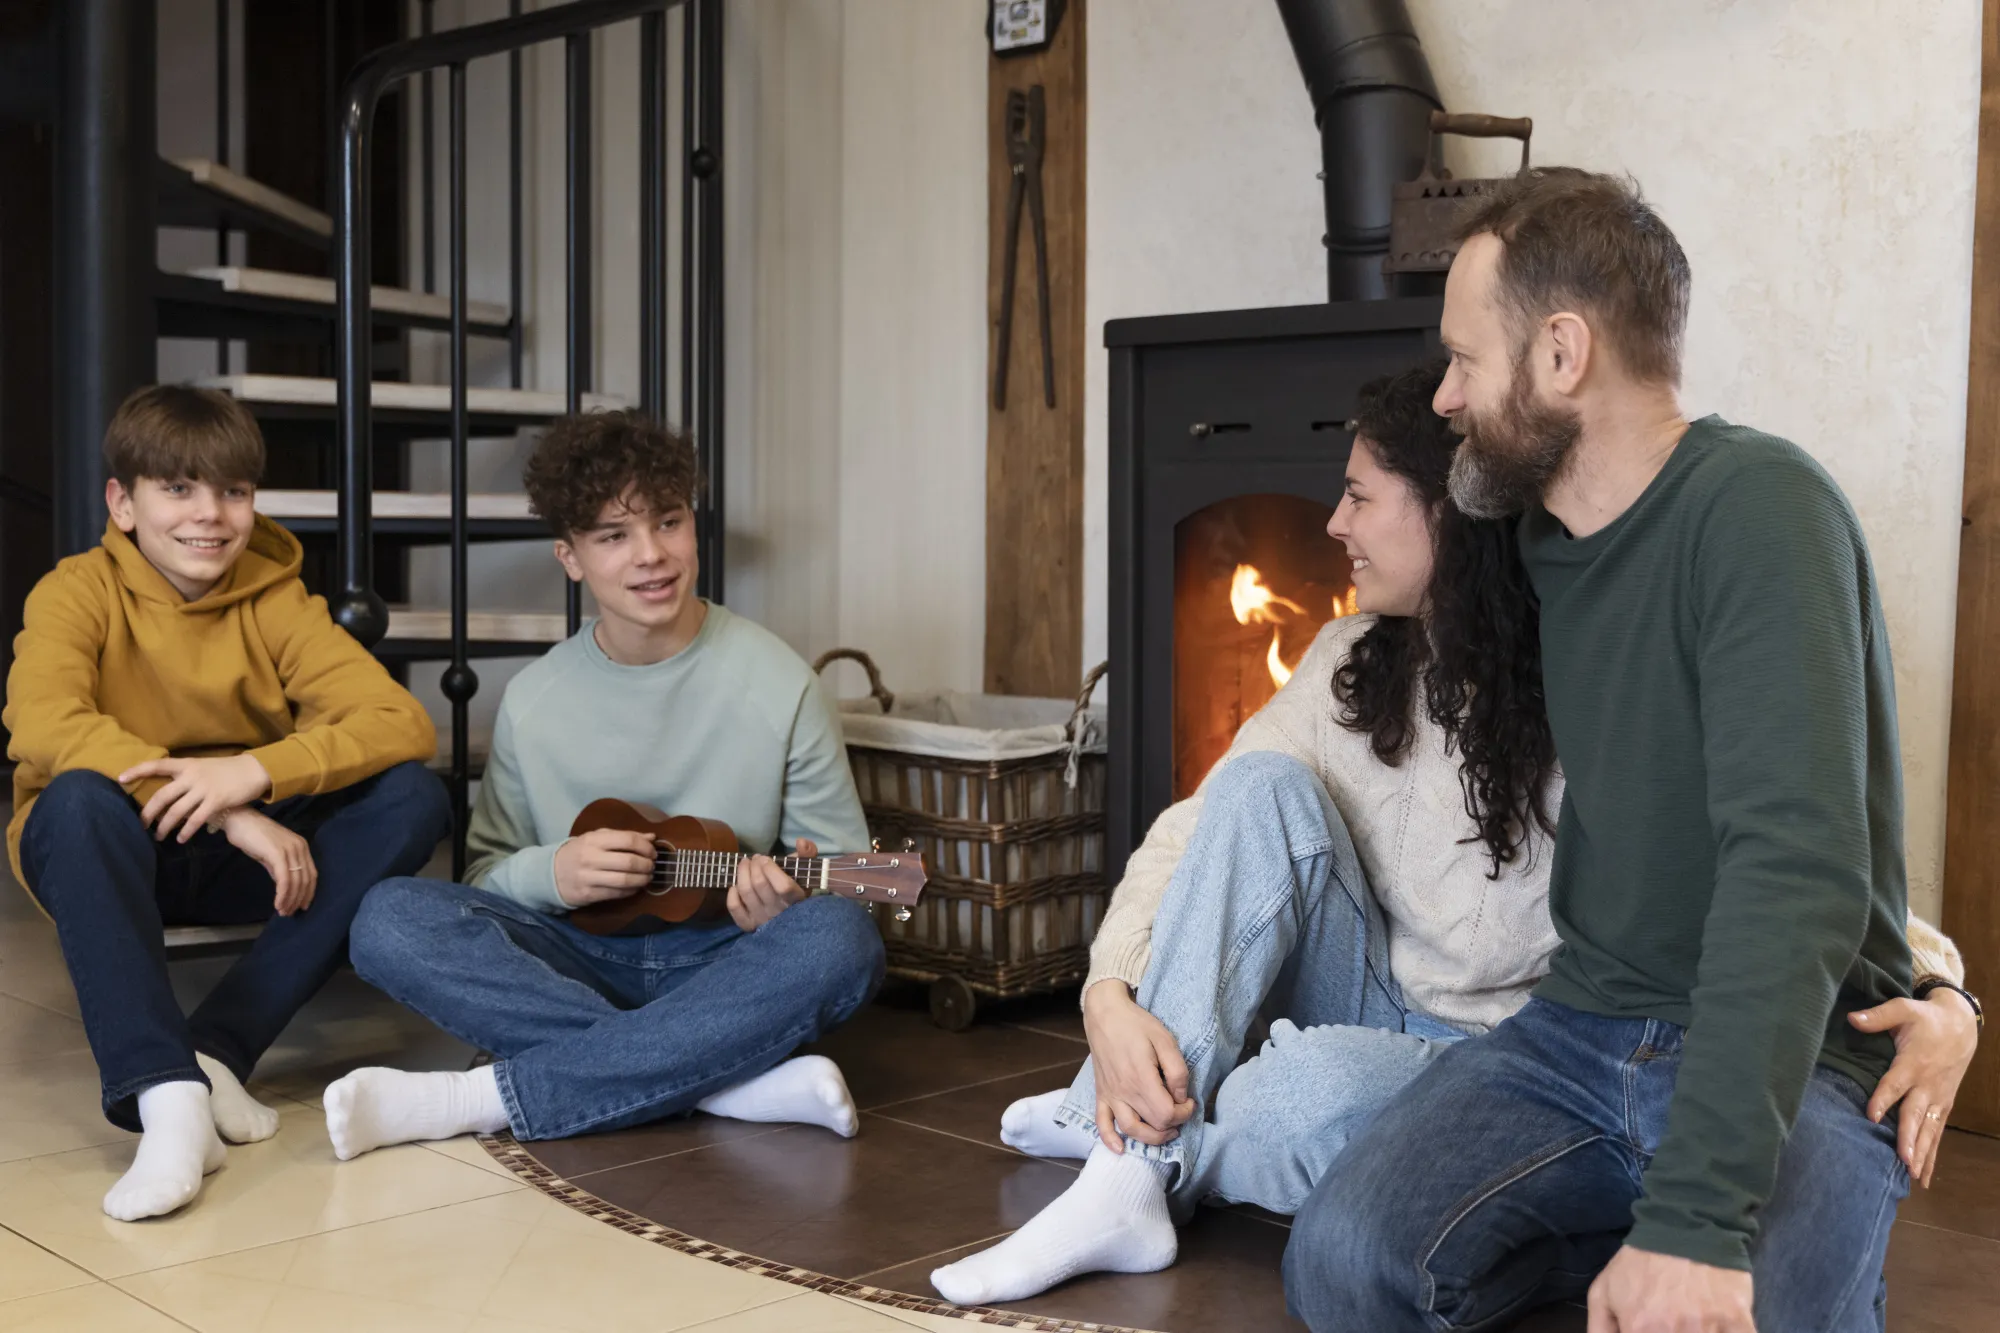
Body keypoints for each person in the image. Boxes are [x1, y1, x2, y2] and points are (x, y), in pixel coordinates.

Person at [928, 365, 1978, 1309]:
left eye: (1357, 497)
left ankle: (1121, 1130)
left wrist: (1945, 996)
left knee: (1296, 1097)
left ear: (1444, 516)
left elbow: (1792, 854)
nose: (1331, 524)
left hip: (1519, 1049)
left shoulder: (1588, 666)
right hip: (1376, 994)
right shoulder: (1349, 653)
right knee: (1252, 786)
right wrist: (1107, 994)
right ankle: (1123, 1172)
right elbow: (1199, 831)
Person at [1281, 169, 1984, 1333]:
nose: (1446, 395)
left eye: (1464, 358)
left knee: (1761, 1306)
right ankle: (1625, 1241)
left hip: (1789, 1052)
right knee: (1343, 1262)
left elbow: (1800, 868)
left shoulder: (1760, 509)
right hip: (1577, 1028)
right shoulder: (1526, 532)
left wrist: (1696, 1221)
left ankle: (1670, 1230)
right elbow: (1370, 580)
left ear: (1561, 355)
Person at [326, 411, 885, 1159]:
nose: (651, 555)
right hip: (579, 956)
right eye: (613, 535)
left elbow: (848, 874)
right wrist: (553, 869)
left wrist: (779, 903)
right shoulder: (534, 698)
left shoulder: (780, 681)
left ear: (693, 526)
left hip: (724, 961)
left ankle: (480, 1098)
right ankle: (722, 1080)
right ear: (571, 557)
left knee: (839, 939)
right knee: (388, 918)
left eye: (668, 521)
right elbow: (485, 875)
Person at [3, 385, 449, 1222]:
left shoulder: (275, 596)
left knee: (411, 797)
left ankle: (214, 1052)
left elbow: (401, 720)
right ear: (122, 503)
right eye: (178, 488)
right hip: (114, 848)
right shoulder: (74, 591)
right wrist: (220, 804)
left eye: (233, 491)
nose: (211, 515)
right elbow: (42, 721)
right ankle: (164, 1097)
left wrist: (253, 773)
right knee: (72, 801)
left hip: (254, 853)